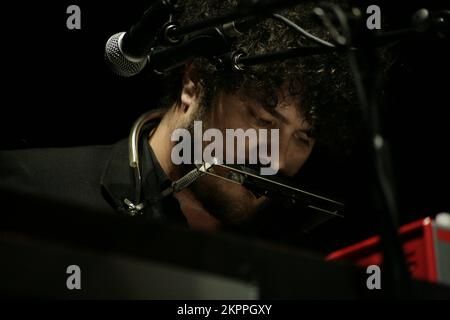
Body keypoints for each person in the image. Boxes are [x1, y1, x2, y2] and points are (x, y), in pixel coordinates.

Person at [0, 0, 355, 234]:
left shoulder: (292, 253)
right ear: (194, 84)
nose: (277, 160)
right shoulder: (31, 190)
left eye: (302, 138)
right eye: (264, 121)